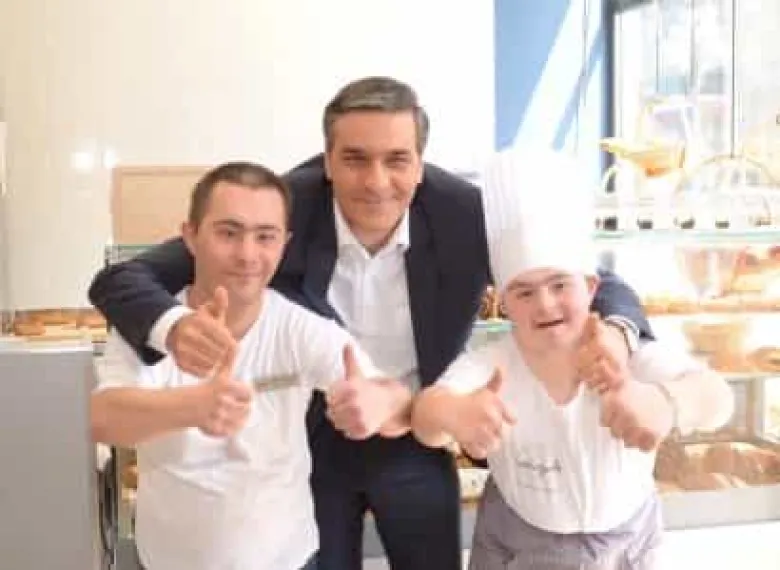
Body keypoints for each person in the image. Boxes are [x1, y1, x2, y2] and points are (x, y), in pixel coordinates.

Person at [88, 77, 654, 570]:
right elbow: (122, 278)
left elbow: (591, 279)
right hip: (316, 431)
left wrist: (617, 331)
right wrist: (172, 327)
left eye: (397, 160)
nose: (376, 181)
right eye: (355, 159)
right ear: (327, 161)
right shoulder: (283, 208)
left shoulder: (463, 215)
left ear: (421, 163)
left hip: (418, 427)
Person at [411, 147, 735, 570]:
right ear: (502, 303)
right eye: (524, 292)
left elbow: (718, 398)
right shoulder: (491, 365)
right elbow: (426, 416)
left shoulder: (622, 353)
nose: (545, 304)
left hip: (628, 543)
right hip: (517, 540)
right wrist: (453, 414)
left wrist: (666, 403)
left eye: (560, 285)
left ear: (592, 287)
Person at [91, 162, 412, 570]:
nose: (247, 255)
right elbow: (103, 420)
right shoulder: (154, 327)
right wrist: (192, 407)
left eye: (265, 237)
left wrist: (380, 403)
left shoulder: (300, 329)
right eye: (228, 233)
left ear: (284, 244)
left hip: (289, 560)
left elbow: (397, 402)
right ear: (190, 236)